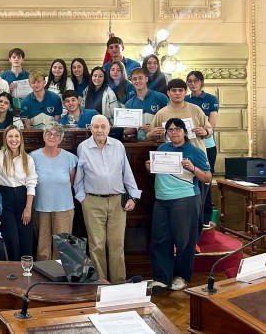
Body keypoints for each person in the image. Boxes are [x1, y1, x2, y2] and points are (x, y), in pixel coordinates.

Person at [74, 115, 141, 284]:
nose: (100, 130)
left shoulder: (118, 145)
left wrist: (133, 196)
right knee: (96, 245)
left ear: (109, 128)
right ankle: (101, 283)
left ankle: (118, 282)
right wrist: (82, 199)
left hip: (118, 201)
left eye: (103, 126)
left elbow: (127, 172)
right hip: (92, 201)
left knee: (117, 244)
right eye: (96, 127)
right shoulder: (83, 147)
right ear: (90, 128)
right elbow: (79, 178)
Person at [146, 118, 210, 291]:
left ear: (184, 132)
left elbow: (207, 178)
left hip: (185, 199)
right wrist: (150, 167)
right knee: (160, 240)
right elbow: (158, 171)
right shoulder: (162, 148)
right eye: (170, 130)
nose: (174, 132)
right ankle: (162, 278)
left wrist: (192, 168)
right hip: (161, 200)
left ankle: (181, 276)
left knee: (184, 241)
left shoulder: (194, 151)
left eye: (177, 129)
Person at [0, 126, 37, 260]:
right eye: (10, 136)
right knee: (11, 238)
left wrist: (28, 208)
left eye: (16, 136)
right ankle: (13, 271)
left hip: (23, 198)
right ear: (5, 139)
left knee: (25, 239)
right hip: (5, 198)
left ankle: (27, 270)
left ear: (21, 139)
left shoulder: (28, 159)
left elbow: (31, 184)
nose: (13, 139)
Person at [29, 122, 77, 260]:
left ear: (61, 139)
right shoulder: (33, 156)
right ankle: (43, 279)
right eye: (49, 133)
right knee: (42, 248)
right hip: (41, 207)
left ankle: (61, 278)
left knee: (63, 247)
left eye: (56, 134)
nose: (52, 136)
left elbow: (71, 183)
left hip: (64, 208)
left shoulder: (70, 158)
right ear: (44, 136)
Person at [185, 71, 219, 228]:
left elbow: (212, 124)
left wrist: (203, 130)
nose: (192, 84)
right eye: (190, 81)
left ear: (201, 82)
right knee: (191, 178)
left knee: (206, 179)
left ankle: (206, 217)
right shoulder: (185, 99)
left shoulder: (211, 99)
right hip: (191, 145)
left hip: (208, 145)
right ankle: (193, 216)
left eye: (195, 81)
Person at [147, 79, 213, 152]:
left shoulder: (196, 109)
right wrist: (151, 134)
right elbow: (150, 136)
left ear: (185, 92)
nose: (177, 93)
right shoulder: (161, 114)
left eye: (180, 90)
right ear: (168, 93)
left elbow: (209, 130)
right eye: (174, 90)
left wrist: (205, 132)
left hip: (195, 155)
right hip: (171, 157)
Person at [123, 67, 169, 140]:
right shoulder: (129, 104)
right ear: (131, 81)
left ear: (146, 79)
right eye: (134, 79)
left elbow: (170, 120)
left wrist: (153, 127)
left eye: (140, 78)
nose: (137, 81)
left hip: (160, 142)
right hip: (140, 144)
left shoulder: (161, 98)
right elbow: (130, 129)